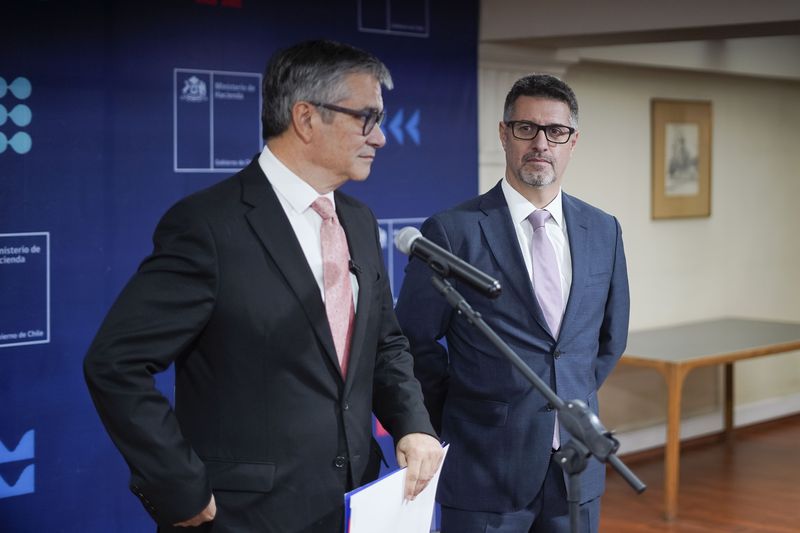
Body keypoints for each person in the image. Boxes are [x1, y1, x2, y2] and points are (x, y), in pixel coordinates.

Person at [84, 40, 442, 533]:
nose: (380, 137)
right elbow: (116, 363)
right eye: (367, 118)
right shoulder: (208, 226)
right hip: (244, 517)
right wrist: (177, 487)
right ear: (306, 118)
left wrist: (413, 424)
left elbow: (384, 344)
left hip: (354, 505)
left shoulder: (358, 221)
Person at [395, 74, 629, 532]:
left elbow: (609, 338)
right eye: (526, 128)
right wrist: (466, 410)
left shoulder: (603, 229)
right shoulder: (453, 231)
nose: (540, 143)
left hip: (576, 471)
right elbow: (412, 341)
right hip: (485, 468)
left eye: (555, 131)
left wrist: (568, 392)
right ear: (504, 134)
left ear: (572, 141)